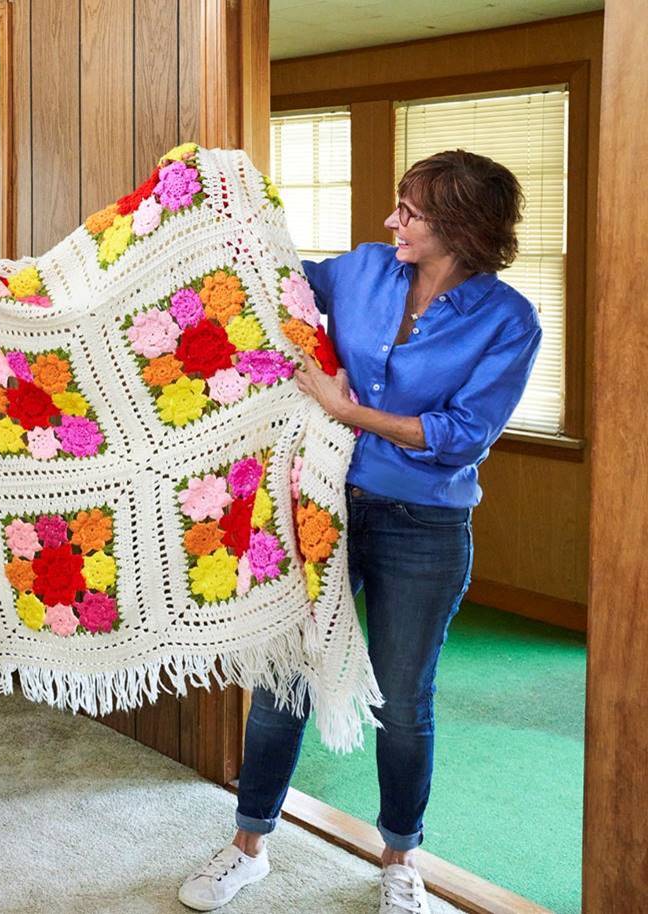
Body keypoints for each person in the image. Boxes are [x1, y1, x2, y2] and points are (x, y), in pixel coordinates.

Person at [178, 150, 541, 914]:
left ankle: (401, 861)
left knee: (404, 701)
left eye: (408, 212)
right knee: (287, 682)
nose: (391, 222)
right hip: (323, 508)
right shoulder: (366, 271)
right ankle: (248, 846)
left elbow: (459, 436)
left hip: (426, 526)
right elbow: (272, 278)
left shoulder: (509, 321)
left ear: (459, 227)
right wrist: (204, 203)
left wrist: (348, 412)